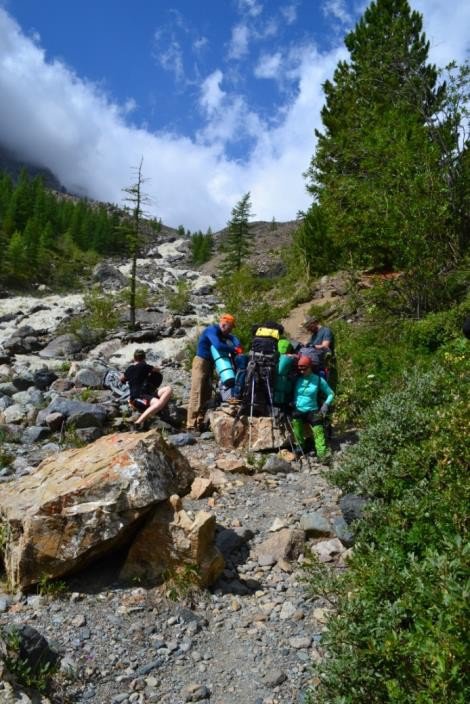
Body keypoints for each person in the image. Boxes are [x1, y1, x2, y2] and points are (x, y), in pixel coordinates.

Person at [186, 314, 239, 431]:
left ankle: (200, 423)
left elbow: (234, 339)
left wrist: (236, 344)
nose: (230, 331)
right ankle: (191, 425)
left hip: (210, 364)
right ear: (224, 324)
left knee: (206, 393)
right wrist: (234, 349)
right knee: (197, 392)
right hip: (201, 362)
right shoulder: (211, 330)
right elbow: (218, 345)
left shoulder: (222, 333)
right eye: (230, 328)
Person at [291, 354, 334, 460]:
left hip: (313, 409)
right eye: (300, 369)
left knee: (318, 430)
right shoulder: (297, 379)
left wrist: (326, 405)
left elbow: (331, 394)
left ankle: (322, 453)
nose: (302, 372)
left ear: (310, 367)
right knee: (296, 425)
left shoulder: (319, 380)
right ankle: (300, 446)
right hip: (298, 408)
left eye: (304, 369)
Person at [120, 349, 172, 431]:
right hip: (138, 397)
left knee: (167, 389)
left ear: (134, 358)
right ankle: (138, 422)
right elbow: (157, 370)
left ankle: (157, 406)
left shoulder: (129, 369)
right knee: (162, 397)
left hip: (146, 394)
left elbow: (122, 379)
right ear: (144, 358)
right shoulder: (146, 366)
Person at [302, 316, 337, 390]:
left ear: (313, 323)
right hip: (316, 364)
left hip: (326, 364)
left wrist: (311, 345)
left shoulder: (326, 331)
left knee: (325, 386)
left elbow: (325, 346)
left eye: (308, 327)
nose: (308, 330)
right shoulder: (313, 336)